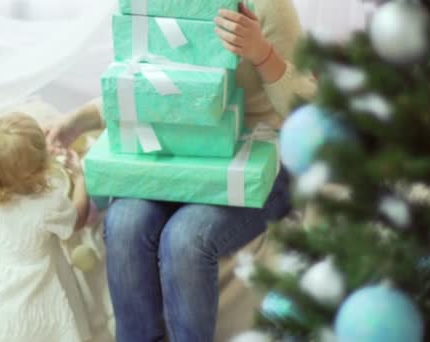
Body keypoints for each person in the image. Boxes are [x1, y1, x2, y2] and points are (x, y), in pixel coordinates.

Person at [46, 1, 317, 341]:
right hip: (180, 158)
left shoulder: (267, 6)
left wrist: (262, 53)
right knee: (125, 223)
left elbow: (309, 108)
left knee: (186, 240)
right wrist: (80, 119)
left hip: (256, 165)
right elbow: (159, 82)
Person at [0, 112, 90, 342]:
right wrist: (80, 179)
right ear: (41, 166)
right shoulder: (49, 204)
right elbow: (77, 219)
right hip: (41, 303)